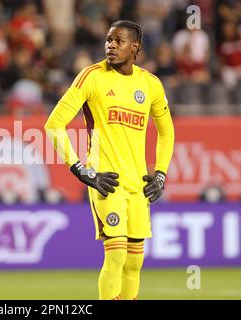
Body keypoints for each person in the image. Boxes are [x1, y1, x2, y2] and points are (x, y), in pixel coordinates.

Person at [44, 20, 175, 300]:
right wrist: (80, 170)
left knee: (134, 262)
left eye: (118, 41)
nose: (110, 46)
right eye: (108, 40)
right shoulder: (91, 77)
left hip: (138, 185)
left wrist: (161, 173)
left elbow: (167, 132)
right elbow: (53, 124)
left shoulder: (150, 84)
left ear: (135, 47)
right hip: (106, 181)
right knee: (115, 256)